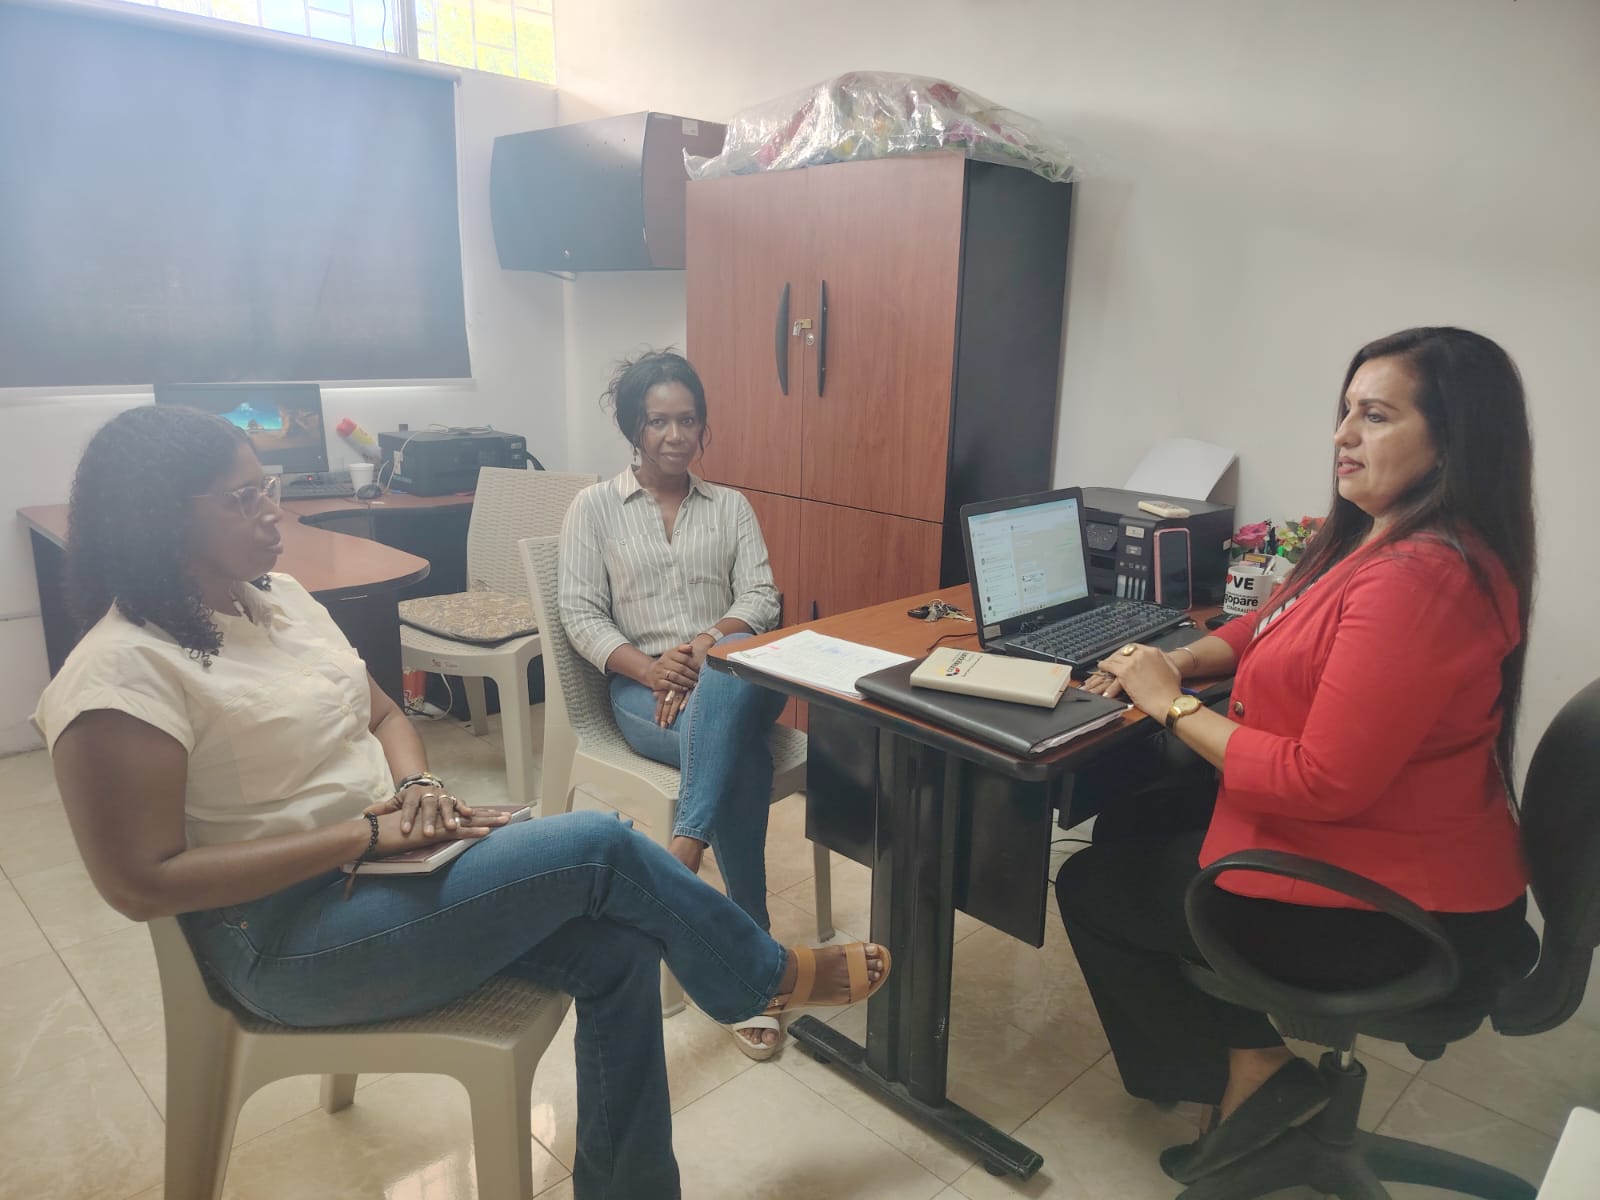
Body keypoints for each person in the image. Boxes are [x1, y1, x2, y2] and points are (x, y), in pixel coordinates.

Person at [34, 405, 890, 1200]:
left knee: (620, 945)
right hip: (286, 939)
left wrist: (417, 790)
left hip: (382, 869)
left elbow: (384, 713)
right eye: (243, 497)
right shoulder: (121, 672)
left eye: (270, 486)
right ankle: (761, 976)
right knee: (599, 844)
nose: (273, 509)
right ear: (160, 519)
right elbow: (140, 884)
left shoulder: (280, 602)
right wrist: (360, 836)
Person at [1055, 327, 1537, 1184]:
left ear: (1450, 441)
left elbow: (1320, 780)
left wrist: (1167, 703)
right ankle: (1242, 1063)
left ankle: (1251, 1076)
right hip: (1396, 850)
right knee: (1132, 821)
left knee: (1094, 886)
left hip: (1396, 914)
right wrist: (1179, 660)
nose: (1343, 435)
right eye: (1346, 411)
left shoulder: (1418, 577)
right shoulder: (1386, 539)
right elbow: (1269, 623)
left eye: (1376, 416)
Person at [559, 350, 792, 1058]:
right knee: (740, 761)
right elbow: (580, 613)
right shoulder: (594, 508)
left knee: (733, 664)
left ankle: (683, 848)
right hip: (645, 691)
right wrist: (654, 667)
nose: (674, 436)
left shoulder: (731, 507)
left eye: (687, 421)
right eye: (658, 421)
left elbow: (762, 597)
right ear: (634, 426)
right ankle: (754, 950)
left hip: (733, 673)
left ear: (702, 426)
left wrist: (706, 644)